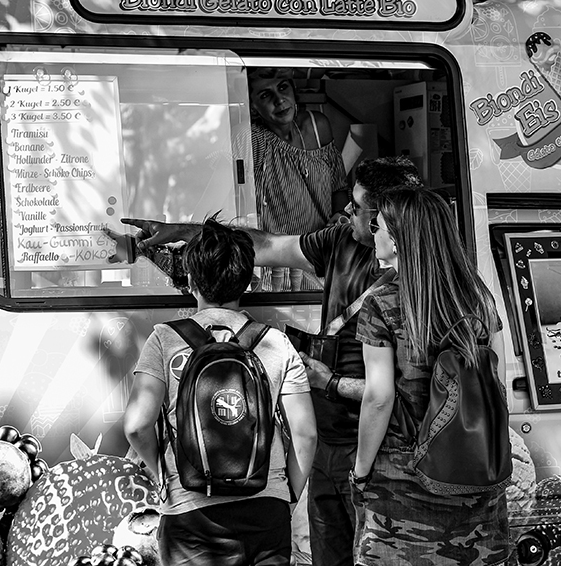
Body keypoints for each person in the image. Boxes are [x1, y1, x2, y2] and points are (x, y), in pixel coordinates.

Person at [119, 156, 423, 566]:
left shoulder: (423, 280)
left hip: (380, 447)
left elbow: (401, 392)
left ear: (387, 213)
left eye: (357, 206)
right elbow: (260, 245)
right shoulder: (338, 241)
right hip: (328, 444)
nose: (346, 211)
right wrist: (186, 233)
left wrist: (331, 384)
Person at [122, 218, 318, 565]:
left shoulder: (165, 340)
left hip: (190, 513)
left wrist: (163, 478)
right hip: (265, 508)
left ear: (193, 281)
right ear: (246, 281)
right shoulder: (275, 343)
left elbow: (137, 425)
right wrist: (286, 497)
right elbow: (305, 435)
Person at [351, 187, 513, 565]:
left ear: (398, 238)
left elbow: (379, 398)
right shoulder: (479, 298)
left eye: (378, 226)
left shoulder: (382, 303)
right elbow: (497, 387)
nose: (373, 233)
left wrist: (360, 471)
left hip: (401, 480)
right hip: (474, 478)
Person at [248, 68, 347, 290]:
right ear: (253, 107)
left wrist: (340, 217)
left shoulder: (317, 125)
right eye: (265, 95)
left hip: (322, 258)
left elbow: (339, 187)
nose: (279, 100)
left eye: (283, 87)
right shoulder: (252, 139)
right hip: (278, 267)